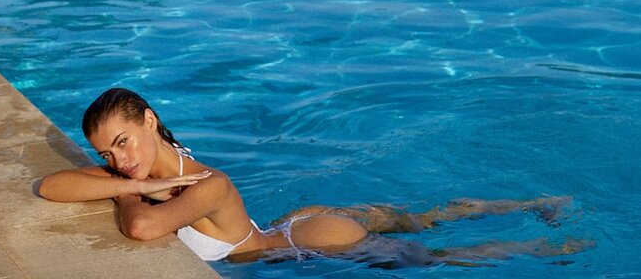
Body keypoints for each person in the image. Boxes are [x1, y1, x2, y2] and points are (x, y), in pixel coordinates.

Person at [38, 87, 584, 266]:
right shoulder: (142, 172)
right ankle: (529, 202)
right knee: (425, 218)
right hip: (292, 223)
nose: (117, 160)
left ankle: (541, 245)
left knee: (437, 257)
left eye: (123, 142)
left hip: (317, 239)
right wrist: (134, 185)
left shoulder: (208, 184)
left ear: (149, 122)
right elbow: (50, 186)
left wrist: (129, 194)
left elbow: (141, 228)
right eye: (106, 153)